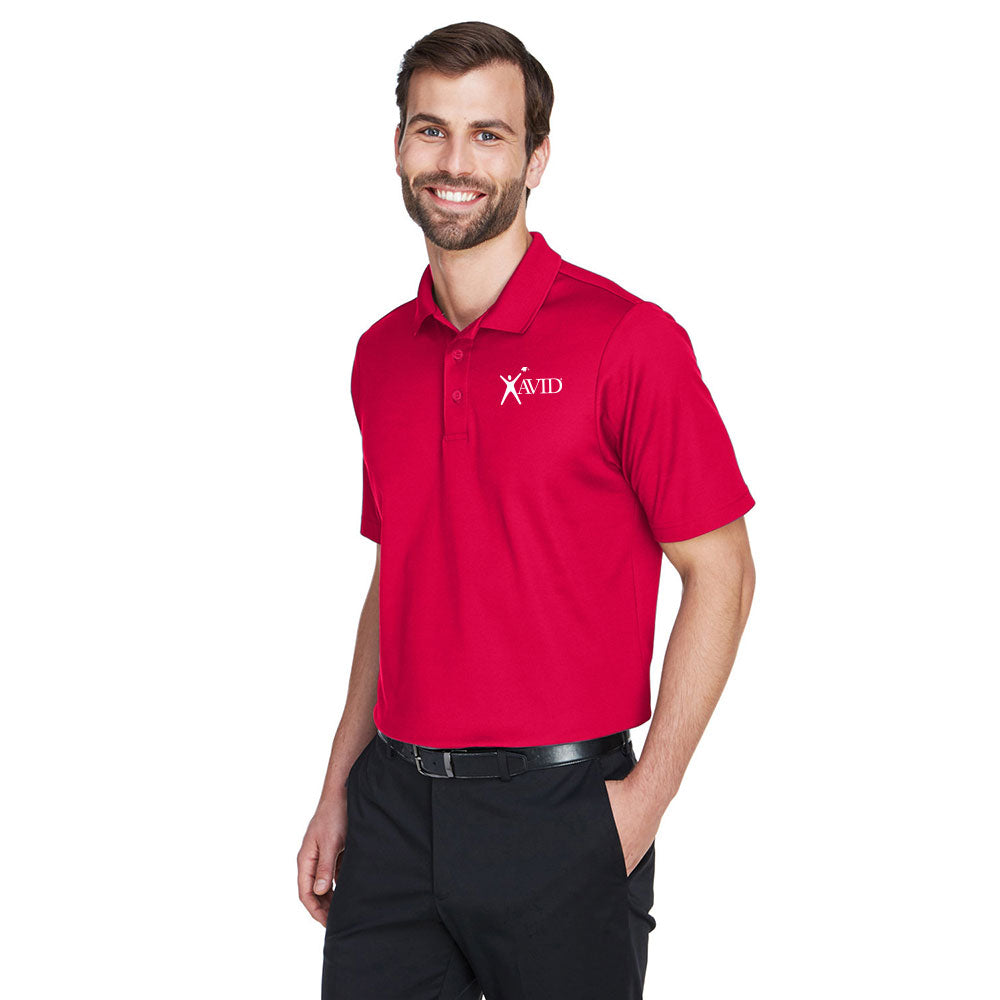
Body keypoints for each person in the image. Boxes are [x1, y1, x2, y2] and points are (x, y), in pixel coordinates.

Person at [298, 20, 756, 1000]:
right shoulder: (380, 356)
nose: (455, 162)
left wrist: (640, 806)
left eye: (488, 134)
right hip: (393, 814)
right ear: (398, 146)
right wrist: (339, 781)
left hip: (562, 810)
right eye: (432, 130)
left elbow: (722, 571)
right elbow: (398, 573)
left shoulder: (627, 340)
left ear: (536, 158)